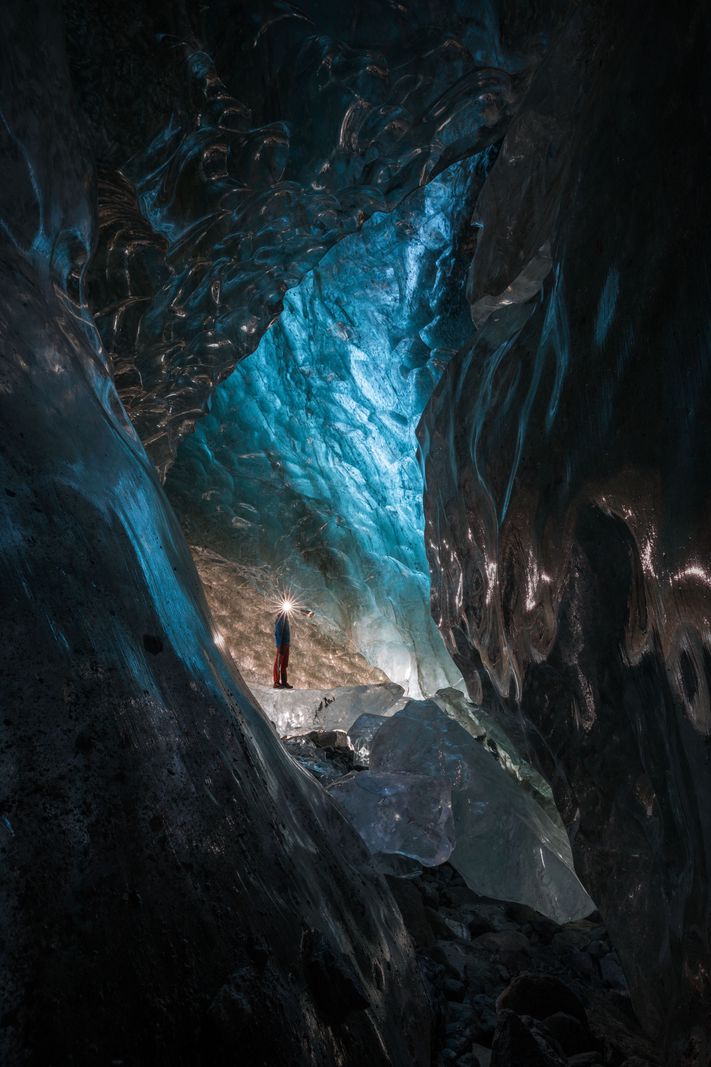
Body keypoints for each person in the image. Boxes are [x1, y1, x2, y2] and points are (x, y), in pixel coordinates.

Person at [273, 608, 292, 689]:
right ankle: (276, 682)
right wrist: (279, 646)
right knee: (278, 664)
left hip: (286, 644)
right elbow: (278, 634)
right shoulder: (279, 619)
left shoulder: (286, 618)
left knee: (284, 664)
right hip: (281, 645)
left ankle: (284, 682)